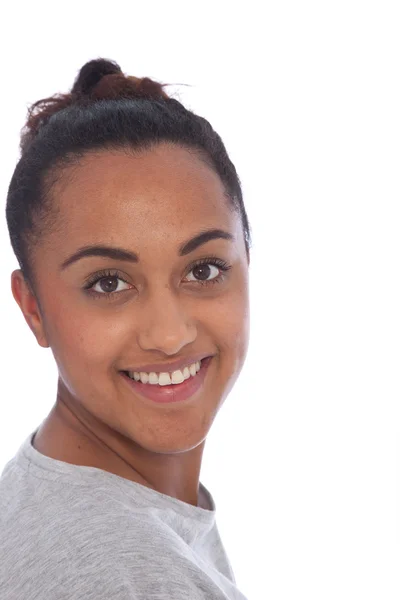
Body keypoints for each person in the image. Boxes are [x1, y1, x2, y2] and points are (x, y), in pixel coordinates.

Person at [0, 58, 251, 599]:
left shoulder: (46, 502)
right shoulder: (120, 574)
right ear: (34, 308)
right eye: (109, 283)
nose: (168, 334)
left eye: (203, 270)